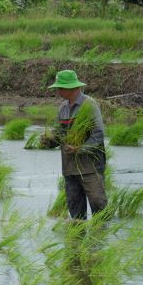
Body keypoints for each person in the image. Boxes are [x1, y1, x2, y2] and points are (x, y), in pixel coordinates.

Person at [41, 69, 107, 220]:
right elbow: (60, 136)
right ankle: (77, 242)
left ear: (70, 88)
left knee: (99, 206)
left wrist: (80, 149)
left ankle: (102, 239)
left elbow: (98, 134)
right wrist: (49, 140)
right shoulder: (63, 108)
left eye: (59, 88)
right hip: (70, 168)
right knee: (76, 211)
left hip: (90, 167)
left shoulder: (89, 105)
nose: (57, 91)